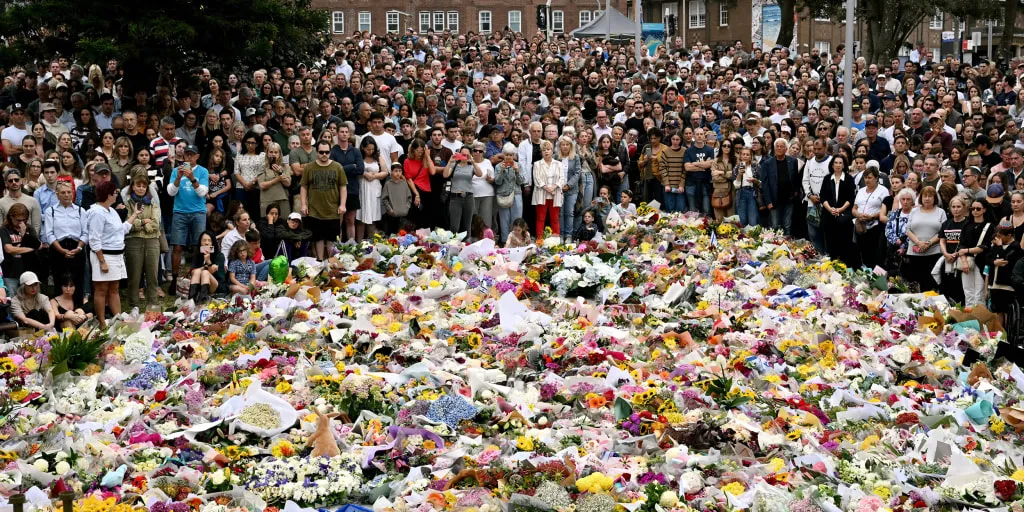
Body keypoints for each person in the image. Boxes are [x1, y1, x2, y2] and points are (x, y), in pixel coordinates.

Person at [89, 180, 141, 328]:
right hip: (104, 255)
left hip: (117, 255)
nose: (117, 195)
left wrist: (135, 214)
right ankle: (102, 322)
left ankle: (118, 320)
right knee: (101, 290)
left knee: (114, 289)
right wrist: (102, 261)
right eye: (115, 193)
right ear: (109, 194)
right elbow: (94, 239)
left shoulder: (111, 211)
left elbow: (121, 230)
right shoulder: (96, 212)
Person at [167, 145, 209, 280]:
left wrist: (192, 178)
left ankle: (200, 275)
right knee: (177, 247)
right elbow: (170, 192)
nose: (189, 157)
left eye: (192, 154)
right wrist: (178, 178)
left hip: (198, 212)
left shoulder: (203, 171)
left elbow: (202, 192)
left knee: (200, 245)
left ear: (197, 156)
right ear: (183, 156)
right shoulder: (176, 171)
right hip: (180, 212)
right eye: (187, 154)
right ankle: (174, 279)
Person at [301, 141, 347, 259]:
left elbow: (343, 186)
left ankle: (331, 263)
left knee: (332, 238)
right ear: (317, 152)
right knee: (318, 238)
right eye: (321, 152)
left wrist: (342, 204)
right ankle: (320, 261)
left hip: (333, 210)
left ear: (330, 152)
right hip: (315, 210)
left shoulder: (338, 167)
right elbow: (304, 186)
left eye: (327, 152)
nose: (324, 154)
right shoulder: (309, 167)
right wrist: (303, 204)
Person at [124, 174, 161, 310]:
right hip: (133, 241)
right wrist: (144, 222)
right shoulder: (128, 203)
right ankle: (134, 306)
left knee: (152, 275)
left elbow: (156, 224)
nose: (140, 188)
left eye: (143, 186)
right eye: (138, 186)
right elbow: (128, 224)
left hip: (152, 241)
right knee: (134, 275)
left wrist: (141, 224)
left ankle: (153, 304)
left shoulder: (153, 203)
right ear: (132, 187)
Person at [903, 186, 947, 292]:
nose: (927, 198)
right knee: (915, 283)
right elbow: (908, 230)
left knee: (931, 283)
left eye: (930, 196)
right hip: (914, 253)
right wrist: (918, 242)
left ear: (935, 198)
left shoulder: (941, 212)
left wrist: (928, 243)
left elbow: (942, 231)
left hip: (933, 252)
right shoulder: (914, 211)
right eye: (925, 196)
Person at [958, 199, 995, 306]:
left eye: (978, 209)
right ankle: (969, 319)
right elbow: (961, 245)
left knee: (979, 293)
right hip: (967, 261)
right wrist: (964, 261)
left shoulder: (990, 226)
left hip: (982, 261)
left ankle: (979, 319)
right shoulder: (967, 224)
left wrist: (967, 250)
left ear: (984, 210)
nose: (975, 211)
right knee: (968, 292)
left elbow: (985, 246)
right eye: (972, 208)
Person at [851, 167, 889, 269]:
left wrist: (872, 216)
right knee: (859, 253)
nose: (867, 180)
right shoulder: (861, 190)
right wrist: (858, 215)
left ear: (876, 178)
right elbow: (854, 209)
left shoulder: (883, 190)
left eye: (869, 177)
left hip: (874, 227)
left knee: (872, 255)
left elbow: (884, 210)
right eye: (865, 178)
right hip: (860, 226)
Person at [0, 203, 41, 294]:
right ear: (11, 217)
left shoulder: (29, 228)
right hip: (11, 272)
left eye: (24, 220)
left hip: (28, 271)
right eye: (18, 220)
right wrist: (30, 249)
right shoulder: (4, 230)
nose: (21, 223)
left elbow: (39, 245)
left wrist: (24, 235)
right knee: (12, 299)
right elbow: (9, 249)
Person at [938, 195, 969, 304]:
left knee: (960, 291)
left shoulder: (968, 223)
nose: (956, 209)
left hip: (961, 260)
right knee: (946, 290)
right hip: (947, 260)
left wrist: (956, 254)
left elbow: (966, 242)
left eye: (959, 206)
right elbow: (942, 240)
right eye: (953, 206)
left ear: (964, 207)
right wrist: (946, 254)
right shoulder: (946, 224)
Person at [531, 140, 565, 239]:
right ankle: (540, 240)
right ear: (541, 152)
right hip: (541, 193)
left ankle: (556, 240)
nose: (546, 152)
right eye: (544, 150)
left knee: (555, 218)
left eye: (548, 149)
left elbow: (562, 178)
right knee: (540, 218)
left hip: (555, 193)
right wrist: (547, 188)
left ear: (552, 151)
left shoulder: (558, 164)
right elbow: (537, 179)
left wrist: (554, 187)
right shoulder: (537, 164)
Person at [445, 146, 483, 233]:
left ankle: (467, 245)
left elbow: (480, 174)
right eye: (462, 154)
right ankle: (454, 244)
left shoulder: (471, 166)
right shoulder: (454, 164)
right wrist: (450, 162)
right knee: (454, 226)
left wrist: (473, 162)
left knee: (467, 226)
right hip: (455, 197)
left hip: (468, 197)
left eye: (466, 155)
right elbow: (445, 175)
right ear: (459, 154)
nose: (464, 157)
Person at [356, 136, 388, 240]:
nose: (370, 151)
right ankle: (359, 242)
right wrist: (364, 174)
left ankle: (371, 240)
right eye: (368, 149)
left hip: (374, 187)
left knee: (373, 216)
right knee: (361, 217)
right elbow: (355, 169)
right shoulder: (358, 156)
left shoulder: (378, 156)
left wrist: (374, 176)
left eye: (372, 149)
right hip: (362, 187)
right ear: (362, 148)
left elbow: (385, 172)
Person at [257, 142, 292, 220]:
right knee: (267, 225)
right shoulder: (262, 167)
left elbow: (288, 184)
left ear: (280, 154)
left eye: (276, 152)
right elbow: (262, 185)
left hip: (282, 199)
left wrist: (280, 172)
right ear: (267, 153)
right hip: (267, 200)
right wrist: (277, 179)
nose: (273, 154)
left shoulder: (285, 166)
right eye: (271, 152)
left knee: (283, 224)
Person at [189, 231, 226, 300]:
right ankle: (191, 299)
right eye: (204, 240)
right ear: (200, 242)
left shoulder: (219, 255)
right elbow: (193, 272)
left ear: (213, 243)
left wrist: (208, 261)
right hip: (200, 284)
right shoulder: (197, 254)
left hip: (216, 285)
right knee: (197, 272)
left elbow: (215, 273)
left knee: (205, 272)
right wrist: (205, 267)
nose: (206, 243)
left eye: (209, 240)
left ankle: (202, 301)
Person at [381, 162, 415, 235]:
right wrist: (389, 209)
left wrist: (407, 207)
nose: (398, 173)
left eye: (400, 171)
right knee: (392, 234)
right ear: (392, 172)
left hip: (403, 214)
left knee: (403, 234)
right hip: (392, 214)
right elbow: (384, 198)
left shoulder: (404, 183)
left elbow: (409, 197)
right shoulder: (388, 184)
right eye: (396, 171)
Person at [733, 146, 763, 227]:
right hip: (741, 193)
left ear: (751, 156)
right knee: (742, 220)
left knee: (753, 220)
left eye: (747, 154)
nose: (745, 156)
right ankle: (743, 238)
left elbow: (762, 183)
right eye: (743, 154)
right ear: (740, 156)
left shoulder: (756, 166)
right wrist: (739, 174)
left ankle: (753, 237)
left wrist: (754, 180)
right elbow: (736, 186)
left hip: (752, 193)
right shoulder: (736, 167)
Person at [659, 132, 687, 213]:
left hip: (679, 186)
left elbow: (685, 170)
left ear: (681, 140)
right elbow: (662, 168)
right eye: (673, 139)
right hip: (668, 186)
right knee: (670, 210)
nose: (675, 141)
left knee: (680, 210)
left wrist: (681, 185)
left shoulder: (685, 151)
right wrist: (667, 184)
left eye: (677, 139)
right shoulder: (665, 151)